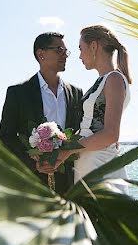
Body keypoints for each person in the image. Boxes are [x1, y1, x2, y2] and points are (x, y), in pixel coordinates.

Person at [39, 24, 132, 194]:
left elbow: (111, 134)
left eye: (81, 48)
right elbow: (88, 127)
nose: (80, 55)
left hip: (99, 164)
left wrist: (68, 150)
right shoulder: (103, 80)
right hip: (88, 161)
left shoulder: (114, 79)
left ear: (94, 46)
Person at [0, 32, 83, 194]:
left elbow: (79, 133)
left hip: (70, 184)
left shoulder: (76, 93)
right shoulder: (18, 93)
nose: (65, 55)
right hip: (32, 183)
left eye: (66, 51)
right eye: (59, 50)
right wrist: (34, 163)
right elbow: (5, 137)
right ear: (41, 54)